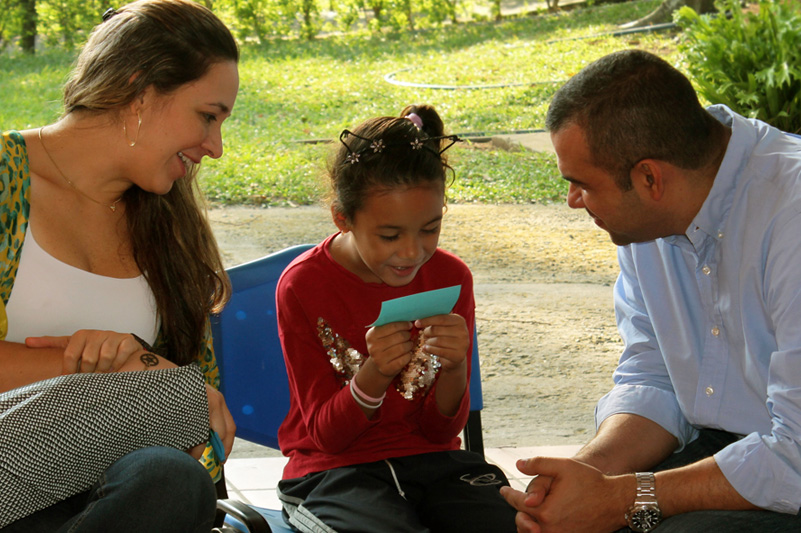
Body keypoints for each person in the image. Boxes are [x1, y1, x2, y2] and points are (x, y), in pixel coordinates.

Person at [500, 49, 801, 532]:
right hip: (733, 456)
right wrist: (584, 479)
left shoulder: (791, 213)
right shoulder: (645, 220)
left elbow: (795, 459)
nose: (573, 201)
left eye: (581, 184)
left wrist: (623, 498)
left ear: (648, 177)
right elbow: (656, 378)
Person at [0, 0, 239, 530]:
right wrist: (101, 367)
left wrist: (144, 369)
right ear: (140, 89)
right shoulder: (5, 179)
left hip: (114, 497)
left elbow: (202, 423)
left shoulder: (169, 221)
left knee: (169, 477)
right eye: (207, 116)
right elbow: (170, 392)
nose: (215, 147)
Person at [275, 104, 517, 533]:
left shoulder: (450, 277)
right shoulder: (304, 286)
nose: (412, 252)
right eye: (390, 236)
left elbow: (441, 430)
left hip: (433, 463)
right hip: (332, 472)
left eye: (431, 228)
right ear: (342, 219)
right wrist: (374, 373)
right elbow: (327, 438)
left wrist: (457, 365)